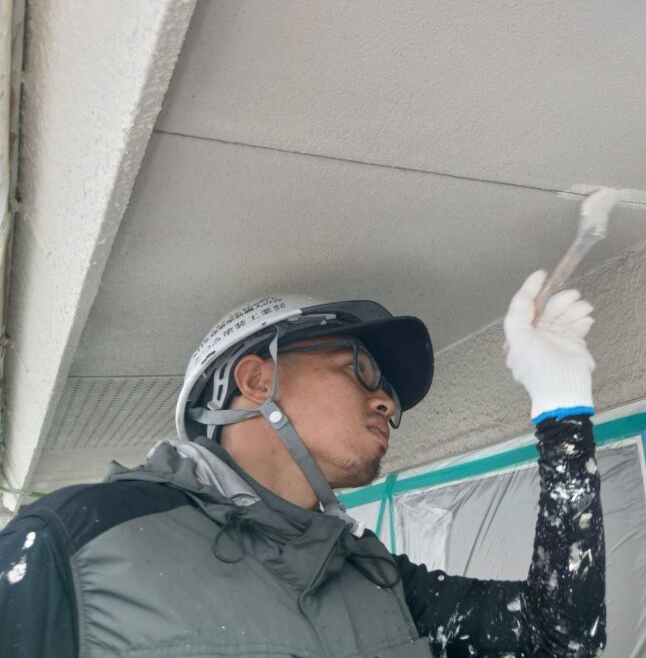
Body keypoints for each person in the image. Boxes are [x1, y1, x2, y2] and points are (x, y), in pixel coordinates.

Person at [0, 271, 606, 657]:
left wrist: (563, 412)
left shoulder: (375, 577)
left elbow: (559, 635)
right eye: (360, 368)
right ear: (257, 380)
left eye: (390, 395)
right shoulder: (77, 539)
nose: (387, 402)